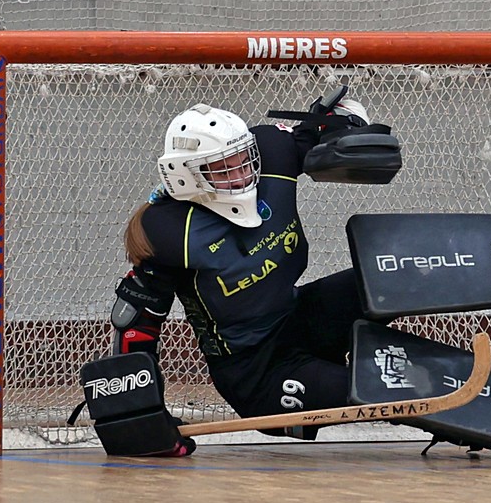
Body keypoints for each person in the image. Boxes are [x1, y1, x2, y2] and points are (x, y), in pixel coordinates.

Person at [111, 97, 378, 435]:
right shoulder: (170, 232)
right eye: (224, 170)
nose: (241, 178)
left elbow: (315, 135)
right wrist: (139, 417)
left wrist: (342, 122)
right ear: (186, 175)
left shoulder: (271, 156)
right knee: (385, 388)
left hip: (298, 320)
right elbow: (134, 326)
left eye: (244, 162)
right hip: (256, 374)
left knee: (384, 276)